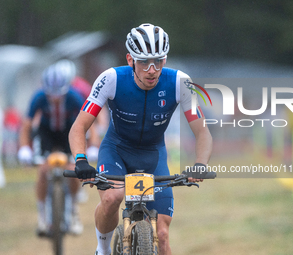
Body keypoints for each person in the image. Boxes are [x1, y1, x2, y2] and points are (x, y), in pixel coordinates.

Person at [68, 23, 212, 255]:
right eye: (144, 62)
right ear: (130, 59)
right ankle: (102, 249)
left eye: (158, 61)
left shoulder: (180, 82)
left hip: (153, 156)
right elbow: (79, 127)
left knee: (162, 235)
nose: (152, 69)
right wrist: (81, 160)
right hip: (117, 150)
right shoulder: (111, 79)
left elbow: (202, 131)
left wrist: (200, 164)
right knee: (112, 197)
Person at [17, 60, 85, 235]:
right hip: (46, 134)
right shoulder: (38, 97)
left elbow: (87, 123)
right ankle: (42, 216)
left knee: (73, 171)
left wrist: (90, 147)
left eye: (59, 94)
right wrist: (24, 147)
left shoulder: (74, 96)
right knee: (42, 171)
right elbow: (26, 125)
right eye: (51, 95)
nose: (55, 99)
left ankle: (74, 211)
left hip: (68, 134)